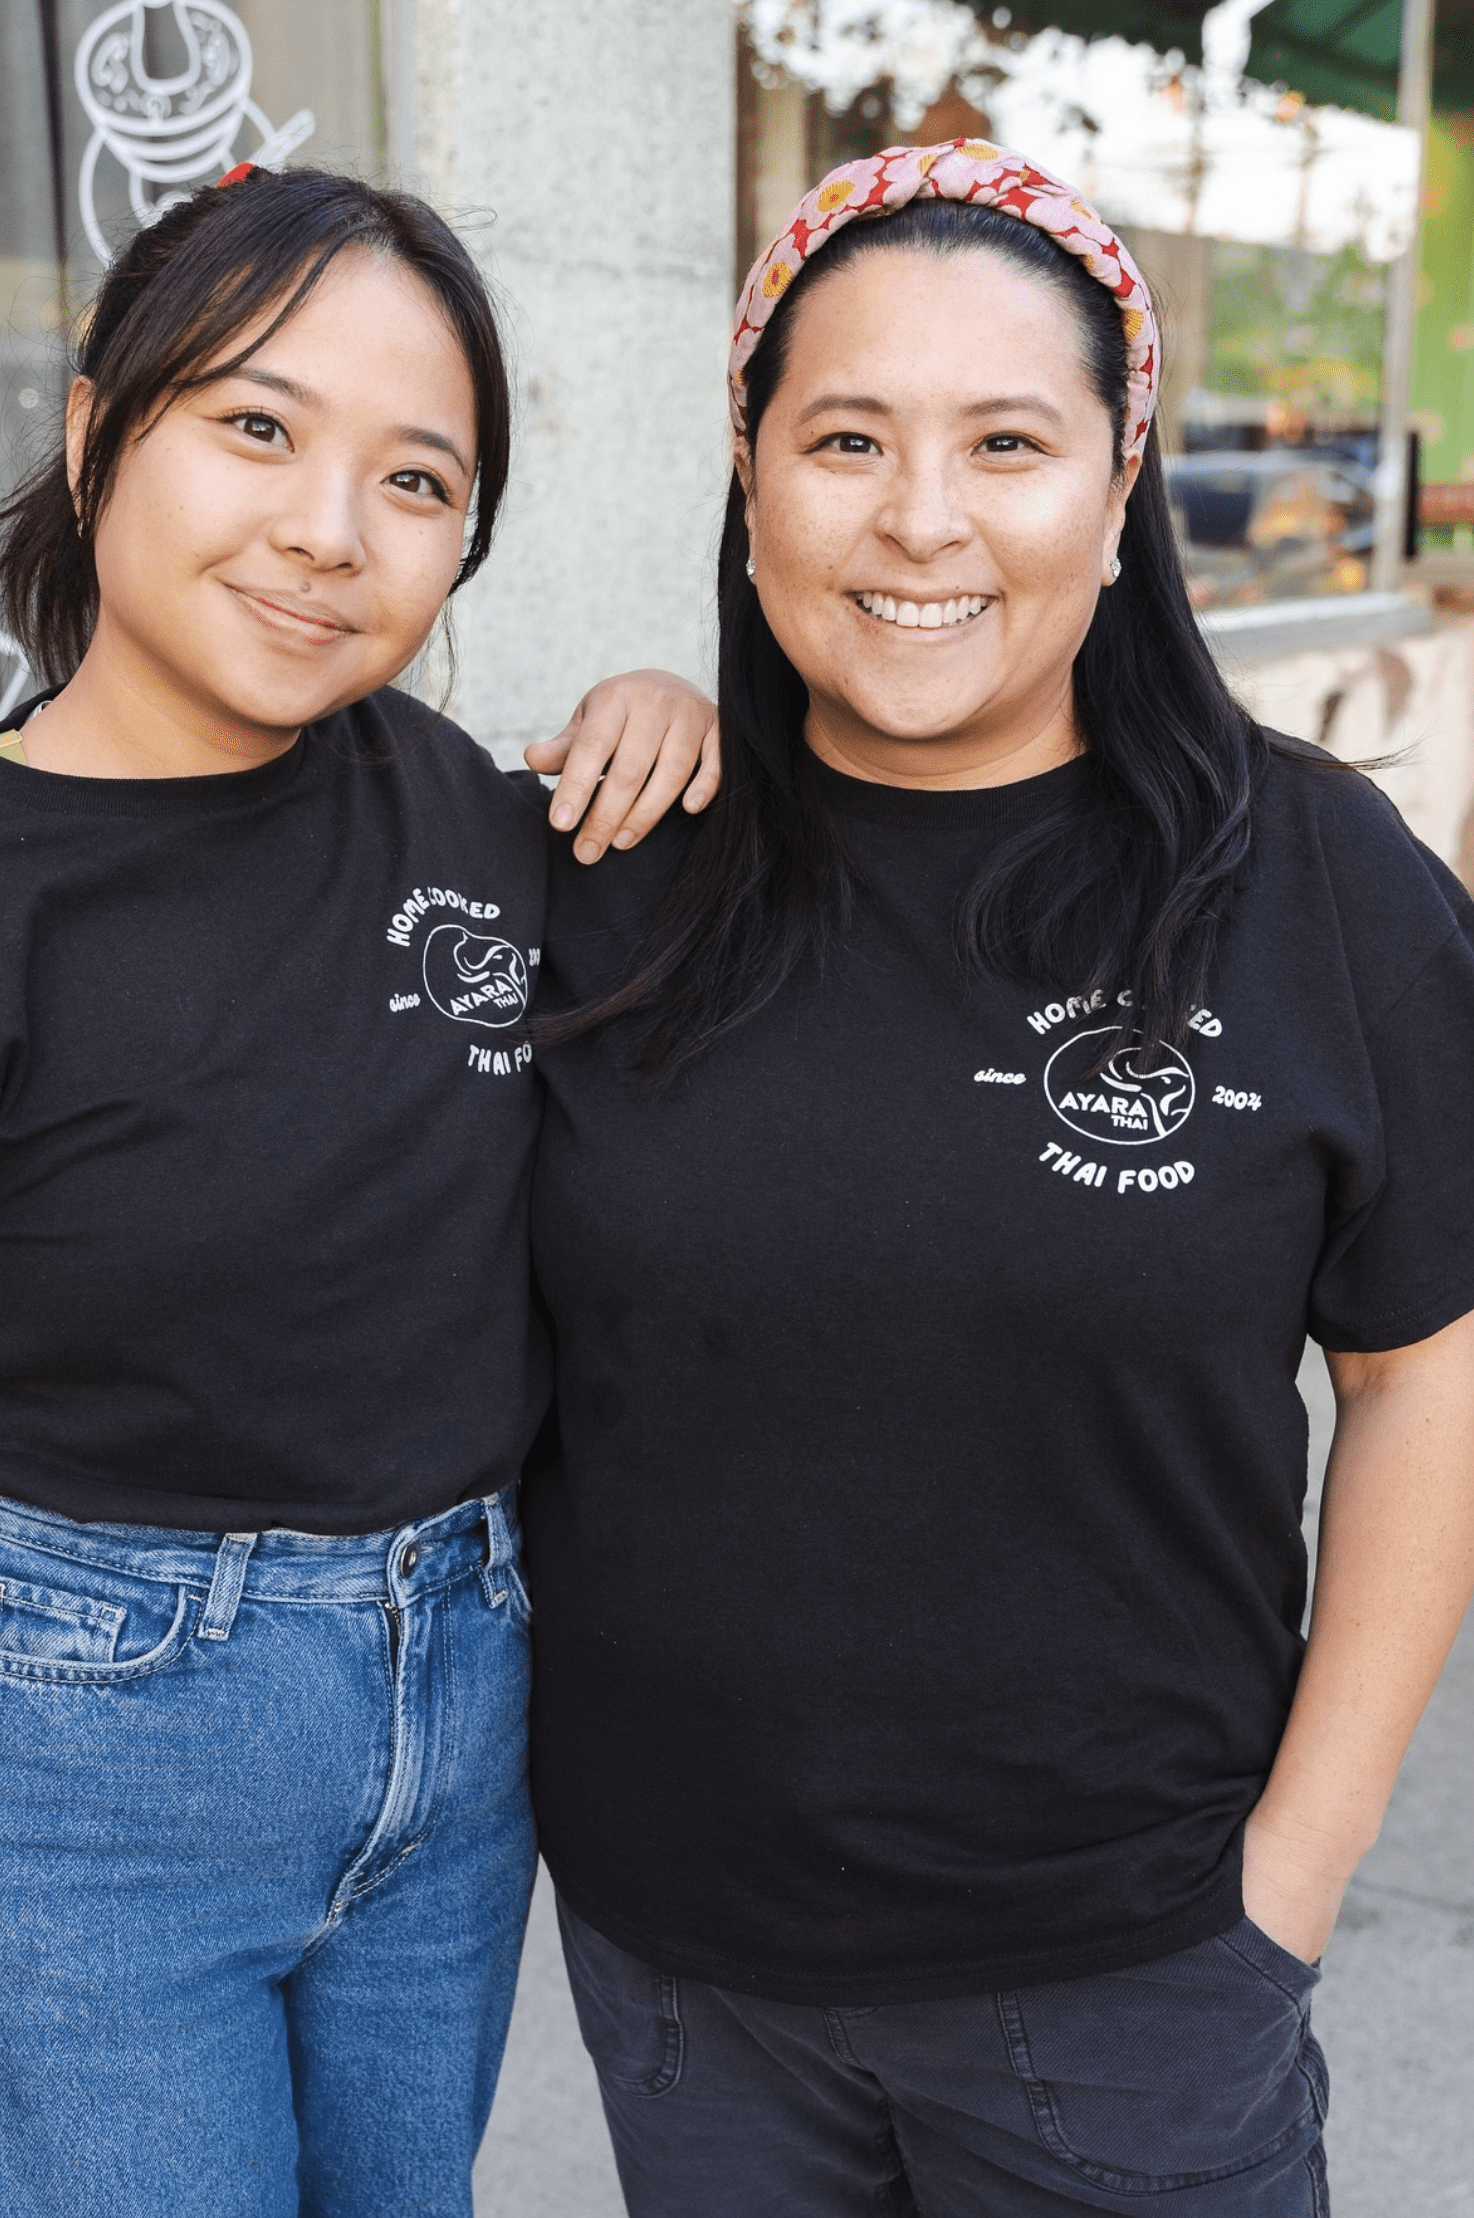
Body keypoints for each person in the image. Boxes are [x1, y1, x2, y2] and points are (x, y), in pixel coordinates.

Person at [0, 165, 719, 2218]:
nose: (329, 531)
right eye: (255, 426)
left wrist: (680, 716)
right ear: (97, 438)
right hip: (87, 1751)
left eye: (418, 480)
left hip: (464, 1697)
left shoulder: (484, 818)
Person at [525, 140, 1474, 2216]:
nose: (922, 517)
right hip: (685, 1976)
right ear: (750, 470)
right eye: (846, 436)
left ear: (1122, 483)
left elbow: (1426, 1378)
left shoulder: (1316, 883)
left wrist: (1289, 1879)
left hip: (1134, 1972)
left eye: (1010, 441)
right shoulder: (601, 873)